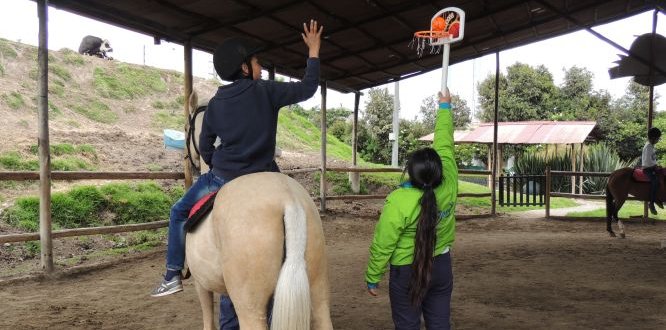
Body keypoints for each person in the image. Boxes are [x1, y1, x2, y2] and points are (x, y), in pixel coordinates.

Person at [151, 19, 323, 328]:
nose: (259, 66)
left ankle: (173, 273)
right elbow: (308, 88)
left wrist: (220, 164)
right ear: (245, 68)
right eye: (256, 61)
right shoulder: (266, 91)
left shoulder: (215, 104)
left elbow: (204, 145)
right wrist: (313, 51)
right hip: (267, 173)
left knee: (178, 212)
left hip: (224, 177)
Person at [365, 88, 457, 330]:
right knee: (440, 324)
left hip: (406, 272)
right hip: (441, 266)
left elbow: (384, 242)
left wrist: (373, 276)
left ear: (411, 172)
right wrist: (445, 107)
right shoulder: (449, 183)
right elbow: (445, 142)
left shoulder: (399, 200)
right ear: (440, 170)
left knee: (407, 325)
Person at [642, 126, 662, 215]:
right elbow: (647, 161)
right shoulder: (648, 147)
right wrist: (655, 166)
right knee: (655, 181)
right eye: (657, 138)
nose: (658, 140)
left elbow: (652, 159)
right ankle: (652, 203)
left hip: (652, 167)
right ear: (653, 138)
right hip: (648, 169)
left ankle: (657, 199)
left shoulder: (651, 146)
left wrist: (657, 165)